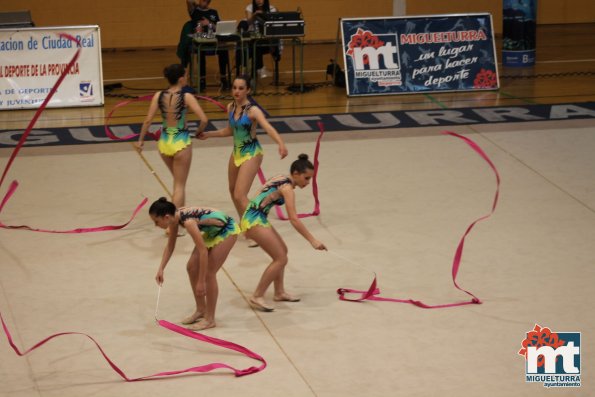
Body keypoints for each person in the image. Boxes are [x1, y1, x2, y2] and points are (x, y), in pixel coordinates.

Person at [241, 154, 327, 312]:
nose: (308, 183)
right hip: (254, 219)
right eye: (306, 178)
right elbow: (294, 219)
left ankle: (279, 292)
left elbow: (259, 195)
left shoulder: (281, 177)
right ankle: (257, 296)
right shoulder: (287, 189)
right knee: (280, 258)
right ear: (295, 174)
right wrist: (313, 241)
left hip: (254, 216)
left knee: (282, 252)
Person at [198, 75, 288, 223]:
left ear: (248, 90)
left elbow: (268, 128)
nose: (236, 91)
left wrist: (281, 143)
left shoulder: (253, 111)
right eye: (234, 88)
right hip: (237, 152)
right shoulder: (230, 107)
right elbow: (229, 130)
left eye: (241, 88)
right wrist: (209, 134)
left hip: (252, 153)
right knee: (233, 191)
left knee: (240, 195)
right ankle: (245, 223)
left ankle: (256, 226)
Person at [149, 197, 240, 330]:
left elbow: (203, 252)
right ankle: (201, 309)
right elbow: (170, 246)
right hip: (212, 231)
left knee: (209, 274)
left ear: (166, 217)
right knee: (191, 267)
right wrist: (161, 269)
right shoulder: (174, 218)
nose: (155, 225)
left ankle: (210, 319)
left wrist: (201, 281)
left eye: (156, 221)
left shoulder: (188, 222)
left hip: (226, 230)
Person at [136, 64, 208, 211]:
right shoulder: (186, 97)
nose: (187, 78)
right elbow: (204, 119)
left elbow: (148, 120)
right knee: (180, 186)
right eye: (186, 75)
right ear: (181, 79)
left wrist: (140, 141)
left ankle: (178, 216)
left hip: (164, 143)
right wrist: (198, 133)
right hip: (180, 142)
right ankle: (174, 224)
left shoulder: (158, 95)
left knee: (177, 182)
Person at [177, 0, 231, 91]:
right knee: (200, 50)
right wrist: (195, 4)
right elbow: (189, 1)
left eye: (206, 1)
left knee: (223, 50)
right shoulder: (195, 11)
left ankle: (223, 79)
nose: (204, 3)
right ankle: (202, 81)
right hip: (200, 40)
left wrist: (209, 23)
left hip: (212, 39)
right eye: (202, 0)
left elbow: (218, 27)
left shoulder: (214, 12)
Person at [240, 0, 281, 78]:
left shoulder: (272, 9)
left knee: (258, 45)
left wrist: (265, 14)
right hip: (253, 39)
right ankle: (259, 68)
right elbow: (248, 22)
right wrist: (254, 15)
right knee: (256, 45)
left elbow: (276, 24)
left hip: (268, 39)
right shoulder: (249, 8)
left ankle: (258, 69)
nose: (259, 1)